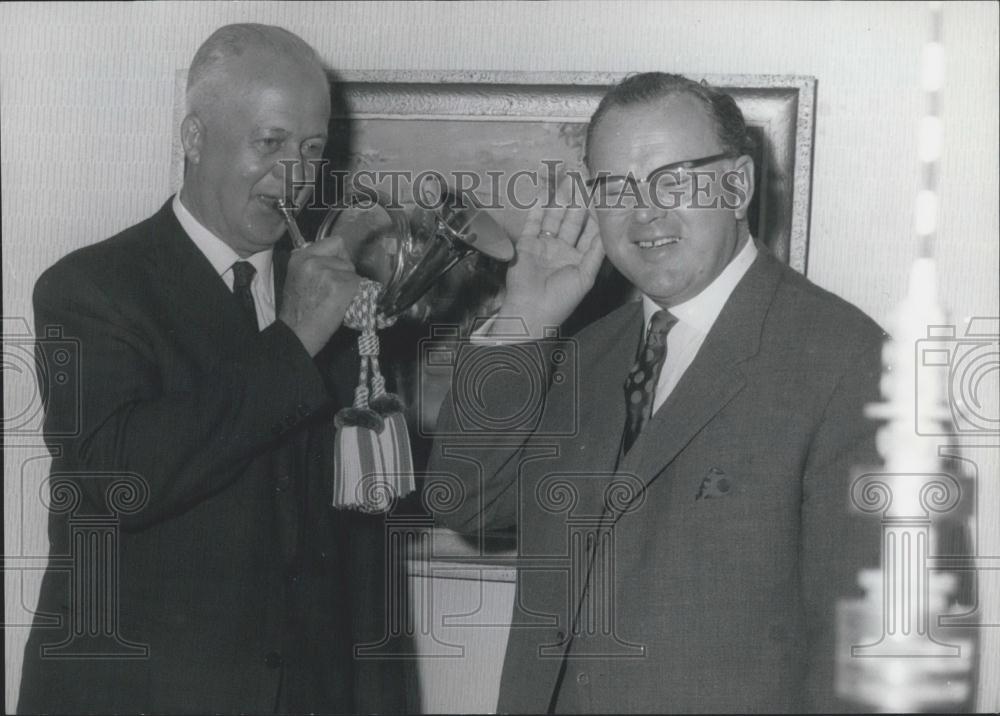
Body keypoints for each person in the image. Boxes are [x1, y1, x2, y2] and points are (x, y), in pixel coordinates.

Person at [428, 72, 886, 713]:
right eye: (615, 187)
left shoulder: (847, 362)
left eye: (675, 178)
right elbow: (466, 502)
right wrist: (523, 321)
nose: (644, 212)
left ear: (738, 185)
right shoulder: (581, 352)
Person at [19, 24, 413, 715]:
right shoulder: (90, 288)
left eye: (312, 150)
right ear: (195, 139)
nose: (295, 175)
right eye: (271, 143)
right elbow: (116, 482)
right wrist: (293, 338)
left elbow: (360, 547)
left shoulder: (330, 293)